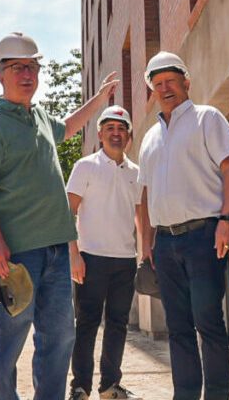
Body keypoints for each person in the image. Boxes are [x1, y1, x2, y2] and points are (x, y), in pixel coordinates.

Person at [0, 32, 118, 400]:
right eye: (18, 67)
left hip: (55, 252)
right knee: (7, 342)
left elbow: (67, 127)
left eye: (33, 67)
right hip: (17, 255)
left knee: (60, 337)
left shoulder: (38, 116)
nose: (27, 74)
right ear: (0, 73)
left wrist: (99, 102)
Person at [137, 51, 229, 400]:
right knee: (178, 327)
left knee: (208, 323)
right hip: (164, 245)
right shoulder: (149, 138)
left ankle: (216, 396)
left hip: (203, 236)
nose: (165, 88)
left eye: (170, 81)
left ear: (186, 82)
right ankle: (184, 394)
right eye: (158, 84)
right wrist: (147, 244)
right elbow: (146, 195)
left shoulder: (207, 118)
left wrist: (227, 220)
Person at [67, 105, 143, 400]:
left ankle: (110, 386)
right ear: (100, 133)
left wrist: (145, 253)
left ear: (128, 136)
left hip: (125, 260)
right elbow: (68, 212)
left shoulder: (136, 173)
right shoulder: (85, 166)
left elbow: (141, 217)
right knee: (86, 323)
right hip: (90, 259)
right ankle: (80, 387)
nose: (115, 133)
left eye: (121, 129)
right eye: (110, 128)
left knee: (118, 324)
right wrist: (74, 254)